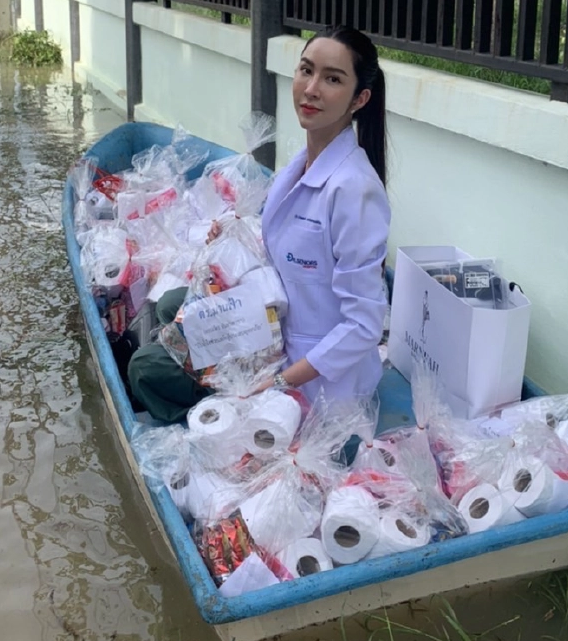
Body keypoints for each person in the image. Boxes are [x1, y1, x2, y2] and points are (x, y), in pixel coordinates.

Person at [127, 25, 390, 420]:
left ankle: (206, 420)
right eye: (306, 70)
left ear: (360, 99)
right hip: (267, 324)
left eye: (332, 79)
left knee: (145, 369)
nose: (311, 88)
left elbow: (365, 325)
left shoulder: (354, 190)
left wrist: (282, 380)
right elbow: (290, 249)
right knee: (170, 305)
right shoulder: (297, 167)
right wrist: (234, 238)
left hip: (306, 371)